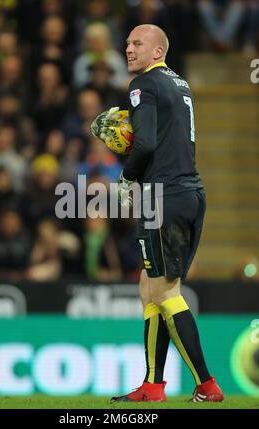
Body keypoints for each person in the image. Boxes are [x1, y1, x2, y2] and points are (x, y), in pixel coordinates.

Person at [91, 24, 224, 403]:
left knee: (165, 292)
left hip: (163, 195)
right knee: (149, 287)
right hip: (189, 193)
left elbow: (145, 143)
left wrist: (127, 178)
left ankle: (206, 383)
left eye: (137, 43)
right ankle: (152, 385)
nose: (128, 48)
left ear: (157, 50)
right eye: (128, 42)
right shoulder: (179, 84)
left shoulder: (143, 86)